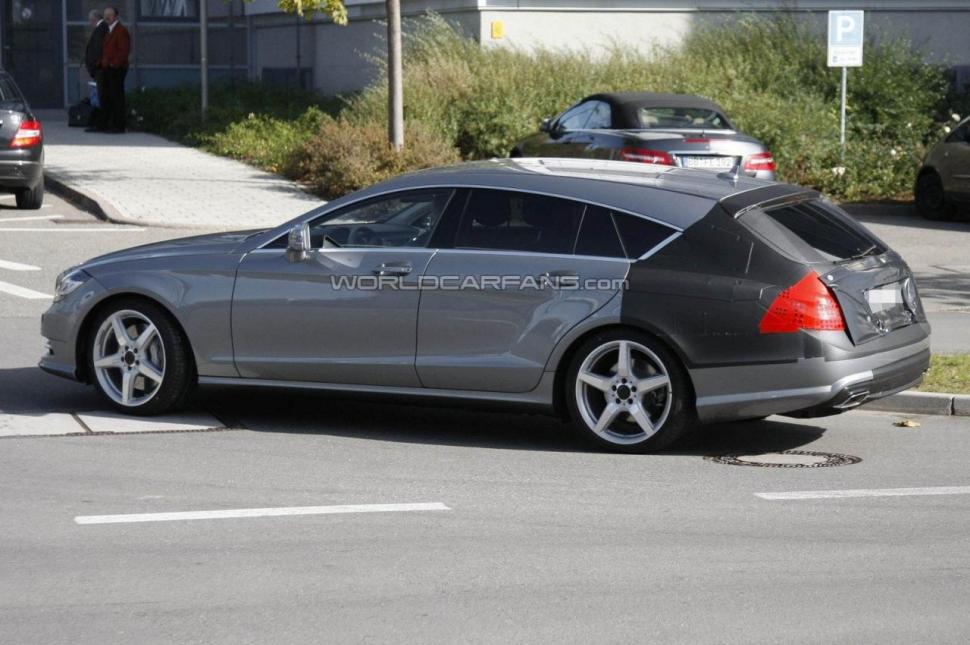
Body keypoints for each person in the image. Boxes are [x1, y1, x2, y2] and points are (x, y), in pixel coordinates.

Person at [99, 6, 131, 134]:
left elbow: (124, 51)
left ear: (116, 17)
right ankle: (110, 124)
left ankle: (118, 126)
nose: (107, 17)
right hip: (108, 68)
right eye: (105, 14)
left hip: (116, 69)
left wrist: (114, 64)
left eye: (110, 15)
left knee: (116, 97)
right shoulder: (109, 30)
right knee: (108, 96)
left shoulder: (121, 30)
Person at [83, 10, 108, 132]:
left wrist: (95, 65)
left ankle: (100, 124)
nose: (90, 23)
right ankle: (100, 123)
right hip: (99, 68)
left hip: (100, 69)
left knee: (100, 97)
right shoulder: (102, 28)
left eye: (91, 20)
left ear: (95, 19)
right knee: (98, 96)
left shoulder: (101, 29)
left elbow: (98, 49)